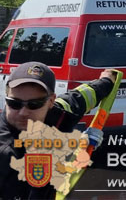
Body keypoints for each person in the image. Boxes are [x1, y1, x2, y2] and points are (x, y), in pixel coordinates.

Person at [0, 62, 117, 199]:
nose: (23, 112)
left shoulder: (59, 114)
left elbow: (81, 97)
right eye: (14, 103)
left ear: (50, 102)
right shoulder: (5, 152)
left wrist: (107, 80)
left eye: (34, 104)